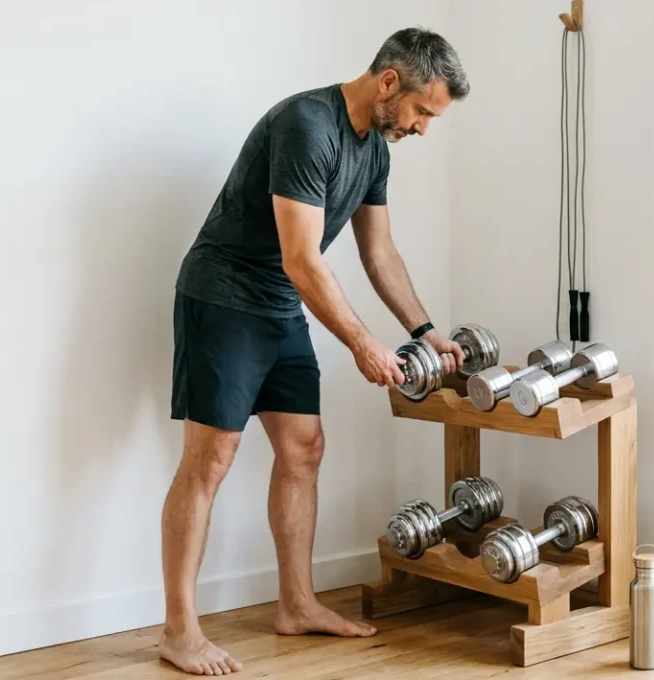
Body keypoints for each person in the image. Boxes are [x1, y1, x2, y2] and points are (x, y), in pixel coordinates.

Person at [158, 27, 469, 676]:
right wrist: (362, 343)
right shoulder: (307, 125)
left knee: (304, 447)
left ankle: (296, 605)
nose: (421, 128)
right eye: (421, 111)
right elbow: (302, 259)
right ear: (389, 82)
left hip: (279, 303)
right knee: (210, 458)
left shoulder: (374, 151)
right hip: (223, 297)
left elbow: (379, 253)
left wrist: (424, 330)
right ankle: (179, 630)